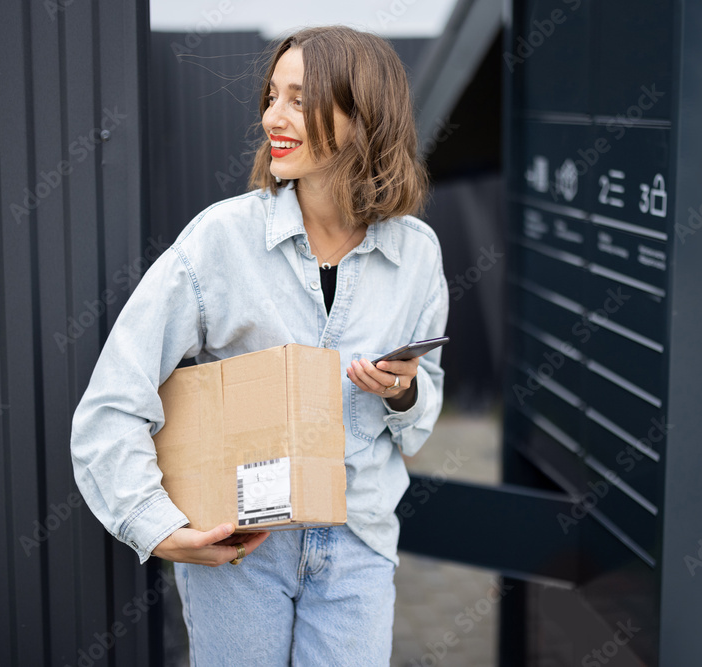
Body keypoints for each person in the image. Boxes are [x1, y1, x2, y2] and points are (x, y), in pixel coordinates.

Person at [70, 25, 448, 665]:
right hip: (241, 545)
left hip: (359, 544)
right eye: (272, 96)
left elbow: (420, 416)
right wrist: (156, 526)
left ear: (365, 115)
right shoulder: (219, 241)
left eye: (300, 99)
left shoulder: (418, 253)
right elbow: (113, 401)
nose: (274, 116)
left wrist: (405, 391)